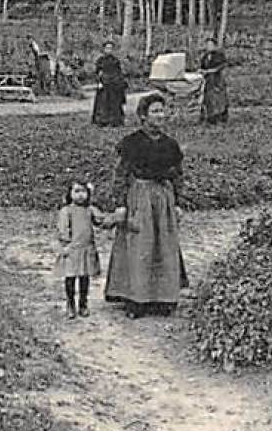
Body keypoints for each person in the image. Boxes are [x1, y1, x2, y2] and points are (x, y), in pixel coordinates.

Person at [104, 93, 189, 318]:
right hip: (140, 197)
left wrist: (178, 202)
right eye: (155, 111)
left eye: (162, 111)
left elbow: (178, 175)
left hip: (163, 200)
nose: (160, 115)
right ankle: (136, 299)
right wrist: (120, 204)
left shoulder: (171, 145)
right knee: (140, 247)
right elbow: (121, 174)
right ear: (143, 116)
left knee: (164, 246)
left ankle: (163, 298)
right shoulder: (132, 143)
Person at [56, 181, 118, 319]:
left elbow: (101, 221)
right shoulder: (66, 211)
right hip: (72, 249)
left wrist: (115, 218)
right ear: (70, 194)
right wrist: (65, 244)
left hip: (87, 249)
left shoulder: (90, 210)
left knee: (85, 278)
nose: (80, 195)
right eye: (76, 191)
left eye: (83, 192)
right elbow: (63, 229)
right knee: (70, 278)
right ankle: (70, 304)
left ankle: (83, 304)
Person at [91, 40, 127, 127]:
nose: (109, 50)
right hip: (104, 84)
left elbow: (119, 72)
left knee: (114, 103)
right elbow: (97, 72)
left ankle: (115, 121)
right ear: (104, 49)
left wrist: (121, 83)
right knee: (102, 103)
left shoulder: (115, 60)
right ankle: (102, 121)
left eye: (111, 48)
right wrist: (99, 82)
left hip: (114, 85)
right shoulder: (100, 60)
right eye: (107, 48)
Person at [198, 37, 229, 125]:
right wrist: (201, 71)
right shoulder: (205, 57)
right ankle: (209, 117)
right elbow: (202, 67)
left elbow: (220, 67)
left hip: (217, 80)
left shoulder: (219, 55)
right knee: (208, 99)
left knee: (219, 99)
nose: (208, 47)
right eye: (207, 45)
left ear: (215, 46)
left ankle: (220, 117)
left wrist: (209, 71)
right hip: (208, 81)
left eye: (210, 45)